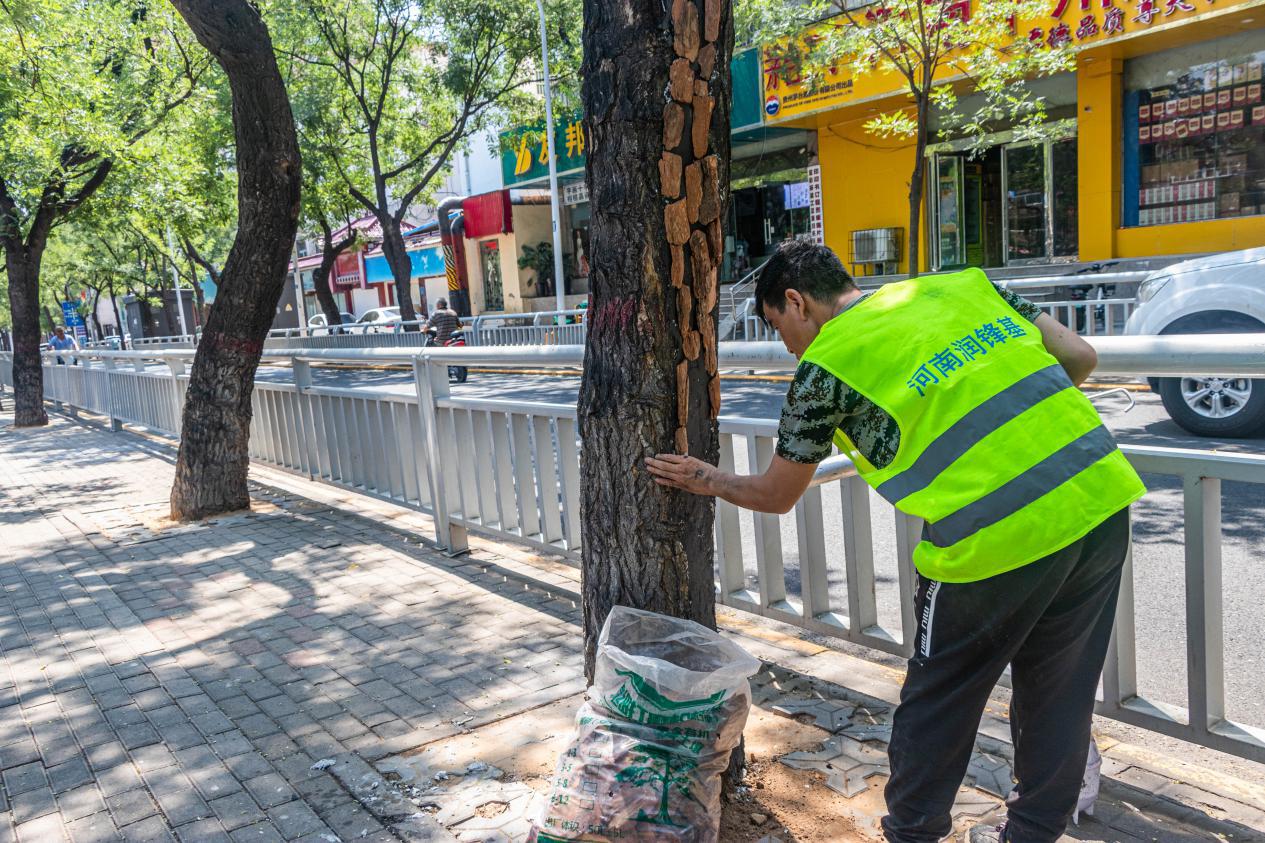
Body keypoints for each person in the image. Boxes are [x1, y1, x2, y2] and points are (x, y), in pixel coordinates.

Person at [645, 240, 1145, 843]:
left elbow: (777, 494)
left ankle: (912, 833)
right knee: (1061, 688)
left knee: (940, 697)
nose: (787, 346)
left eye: (778, 327)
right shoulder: (963, 285)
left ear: (797, 302)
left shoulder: (825, 367)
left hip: (993, 537)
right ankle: (1032, 833)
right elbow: (1079, 356)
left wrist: (706, 478)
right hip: (1098, 495)